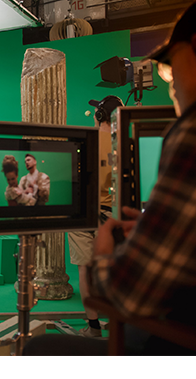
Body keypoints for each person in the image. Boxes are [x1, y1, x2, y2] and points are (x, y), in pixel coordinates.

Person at [24, 0, 196, 356]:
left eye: (171, 69)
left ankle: (93, 327)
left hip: (190, 343)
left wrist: (109, 250)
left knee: (39, 349)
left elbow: (126, 292)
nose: (171, 86)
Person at [67, 95, 124, 338]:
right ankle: (119, 324)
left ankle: (93, 328)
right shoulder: (126, 144)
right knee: (116, 270)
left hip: (83, 216)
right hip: (114, 217)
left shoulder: (84, 142)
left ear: (99, 115)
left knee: (85, 271)